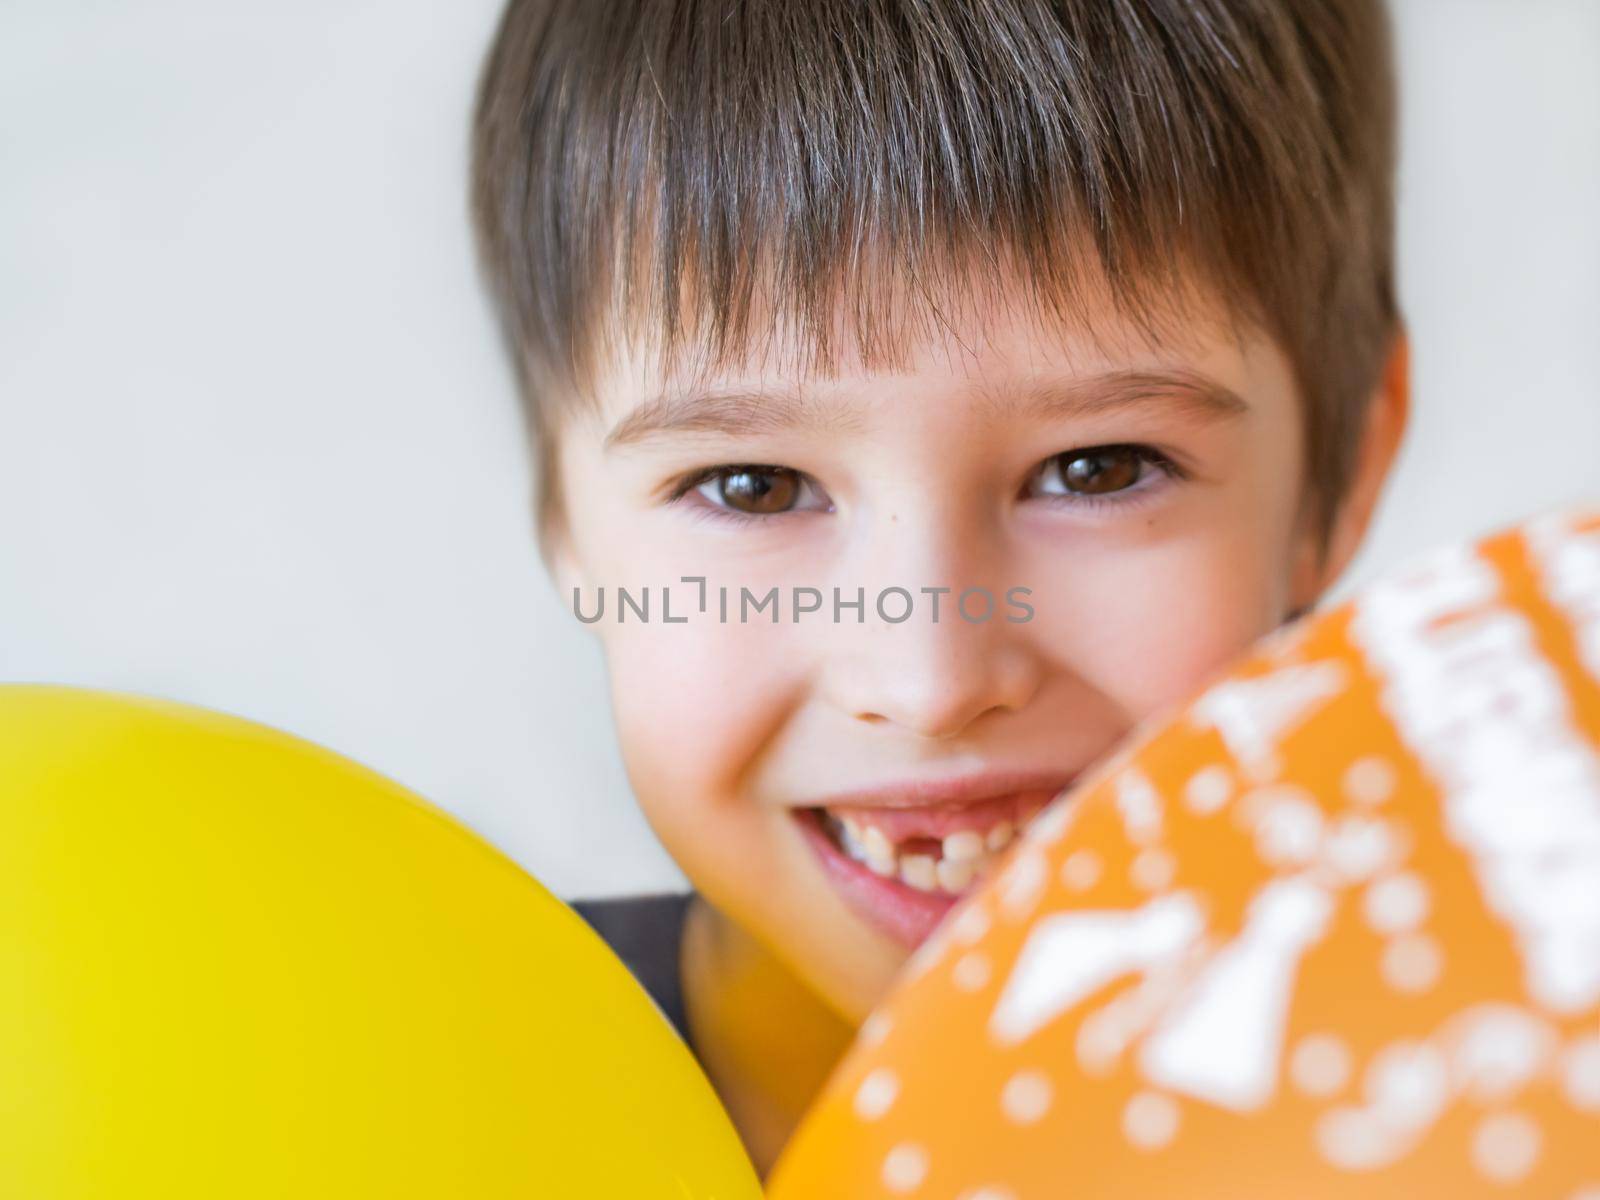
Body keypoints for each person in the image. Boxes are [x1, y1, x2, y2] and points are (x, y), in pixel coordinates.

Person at [470, 0, 1408, 1177]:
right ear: (565, 517)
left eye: (1096, 470)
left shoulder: (1498, 1100)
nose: (931, 681)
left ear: (1344, 469)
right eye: (753, 486)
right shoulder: (405, 1102)